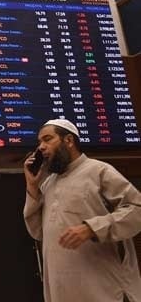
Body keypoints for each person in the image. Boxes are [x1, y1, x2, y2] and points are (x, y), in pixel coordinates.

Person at [23, 118, 141, 302]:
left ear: (68, 141)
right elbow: (37, 232)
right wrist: (32, 186)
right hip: (61, 292)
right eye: (39, 142)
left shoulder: (98, 171)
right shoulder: (48, 183)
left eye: (47, 139)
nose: (41, 147)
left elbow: (137, 209)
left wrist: (92, 228)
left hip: (103, 290)